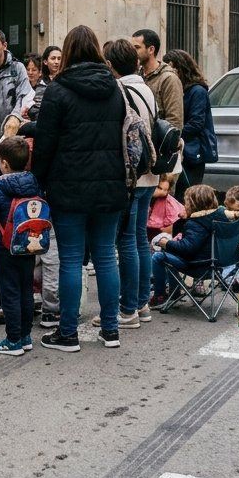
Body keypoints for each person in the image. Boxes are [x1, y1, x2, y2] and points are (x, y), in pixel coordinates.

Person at [31, 25, 128, 352]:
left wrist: (39, 180)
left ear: (69, 52)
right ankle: (111, 330)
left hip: (69, 186)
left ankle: (68, 332)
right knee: (105, 256)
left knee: (71, 259)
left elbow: (44, 144)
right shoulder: (115, 89)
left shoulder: (58, 91)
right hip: (110, 184)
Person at [101, 38, 159, 330]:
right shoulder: (146, 87)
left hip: (132, 175)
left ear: (110, 65)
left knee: (125, 239)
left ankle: (127, 310)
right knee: (139, 239)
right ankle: (141, 303)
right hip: (150, 173)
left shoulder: (120, 89)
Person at [0, 136, 43, 356]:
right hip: (30, 245)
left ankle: (13, 340)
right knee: (25, 290)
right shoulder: (35, 184)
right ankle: (25, 336)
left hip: (5, 248)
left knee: (10, 294)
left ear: (3, 163)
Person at [148, 184, 232, 304]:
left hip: (199, 266)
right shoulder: (221, 217)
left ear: (194, 204)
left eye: (187, 202)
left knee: (159, 256)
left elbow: (187, 249)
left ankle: (160, 295)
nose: (185, 204)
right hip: (220, 263)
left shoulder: (195, 223)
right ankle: (174, 290)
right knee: (170, 249)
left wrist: (166, 243)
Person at [163, 49, 217, 194]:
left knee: (188, 194)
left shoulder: (197, 91)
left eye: (170, 68)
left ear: (179, 68)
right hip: (181, 150)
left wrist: (172, 135)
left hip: (192, 153)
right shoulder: (179, 89)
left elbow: (196, 123)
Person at [131, 28, 184, 130]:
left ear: (151, 49)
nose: (133, 52)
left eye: (137, 48)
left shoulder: (168, 79)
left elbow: (175, 122)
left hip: (158, 143)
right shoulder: (137, 75)